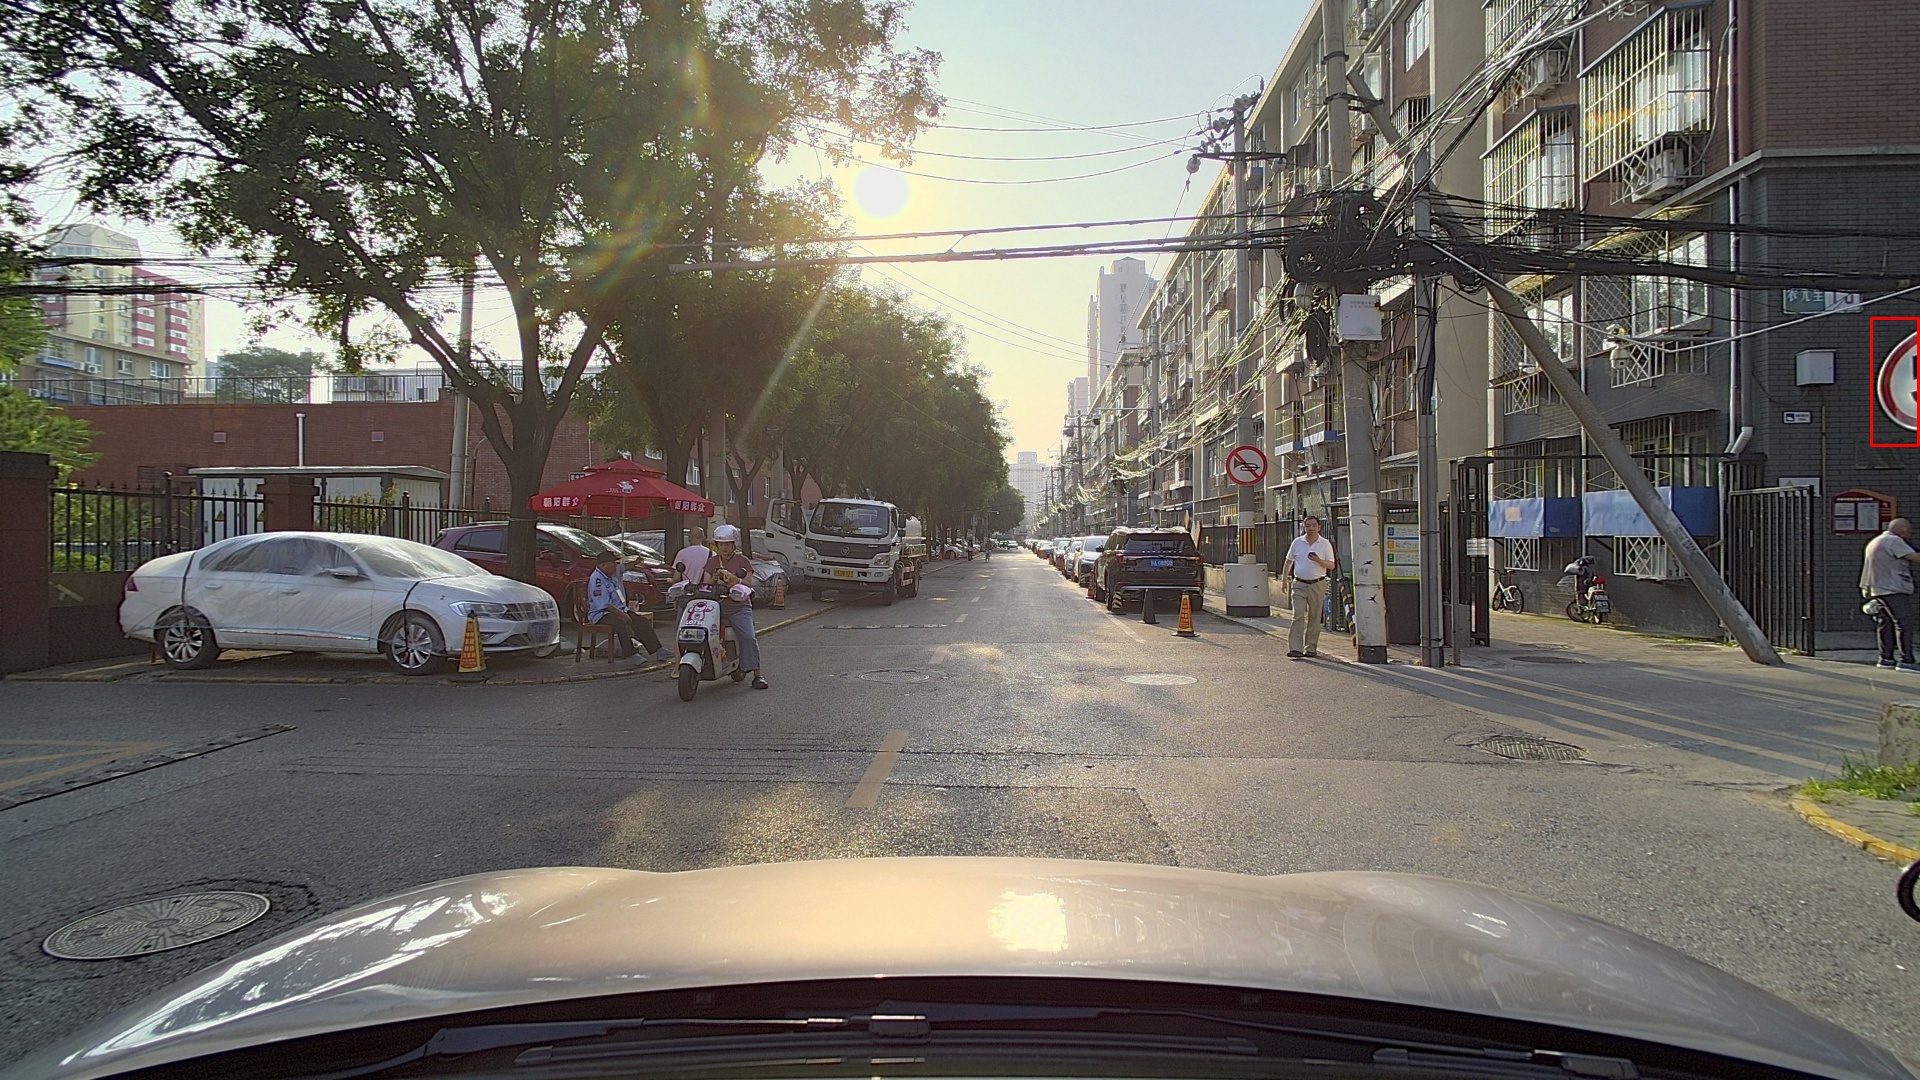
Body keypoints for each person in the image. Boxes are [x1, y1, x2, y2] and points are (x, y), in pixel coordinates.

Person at [586, 550, 674, 665]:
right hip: (602, 614)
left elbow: (625, 567)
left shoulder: (613, 571)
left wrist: (636, 562)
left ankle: (658, 650)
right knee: (621, 623)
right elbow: (605, 605)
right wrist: (624, 615)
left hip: (621, 610)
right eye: (613, 563)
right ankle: (631, 654)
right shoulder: (597, 580)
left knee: (641, 621)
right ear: (603, 565)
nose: (616, 566)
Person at [708, 524, 768, 689]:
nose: (724, 548)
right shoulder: (712, 562)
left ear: (734, 544)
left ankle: (757, 674)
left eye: (727, 544)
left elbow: (748, 583)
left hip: (739, 607)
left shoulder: (743, 561)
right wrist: (714, 579)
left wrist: (734, 580)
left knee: (748, 636)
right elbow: (705, 583)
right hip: (716, 606)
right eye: (721, 544)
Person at [1860, 517, 1920, 671]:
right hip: (1892, 588)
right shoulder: (1893, 541)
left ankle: (1886, 658)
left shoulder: (1876, 541)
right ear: (1903, 530)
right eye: (1909, 532)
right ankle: (1907, 660)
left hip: (1877, 588)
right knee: (1903, 623)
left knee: (1885, 623)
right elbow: (1914, 557)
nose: (1910, 536)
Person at [1281, 516, 1336, 659]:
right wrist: (1284, 580)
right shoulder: (1298, 542)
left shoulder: (1324, 544)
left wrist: (1318, 560)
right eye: (1308, 525)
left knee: (1315, 616)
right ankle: (1295, 648)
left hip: (1317, 583)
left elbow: (1331, 565)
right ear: (1304, 527)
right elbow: (1289, 561)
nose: (1311, 528)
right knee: (1298, 615)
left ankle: (1311, 647)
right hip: (1299, 583)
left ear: (1319, 527)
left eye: (1313, 525)